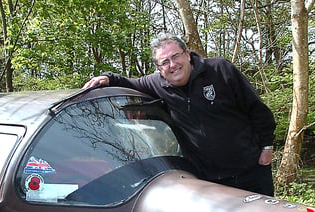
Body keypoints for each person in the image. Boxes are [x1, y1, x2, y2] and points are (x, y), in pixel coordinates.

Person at [83, 33, 277, 196]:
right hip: (209, 181)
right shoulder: (158, 84)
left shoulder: (219, 70)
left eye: (176, 56)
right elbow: (130, 84)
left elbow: (257, 109)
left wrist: (267, 146)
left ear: (187, 54)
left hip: (251, 170)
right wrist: (108, 77)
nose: (172, 64)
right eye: (165, 62)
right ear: (159, 68)